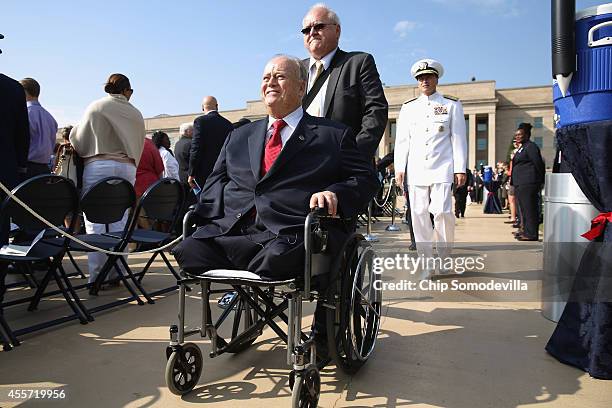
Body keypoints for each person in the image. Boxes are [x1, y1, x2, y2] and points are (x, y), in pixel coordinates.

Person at [172, 55, 378, 360]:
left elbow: (365, 179)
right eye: (266, 76)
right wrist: (216, 215)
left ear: (301, 87)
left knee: (278, 260)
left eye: (280, 77)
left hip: (291, 234)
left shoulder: (332, 135)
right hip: (236, 231)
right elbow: (215, 182)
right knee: (188, 250)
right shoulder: (238, 136)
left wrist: (335, 192)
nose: (270, 81)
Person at [394, 59, 467, 277]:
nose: (424, 80)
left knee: (443, 212)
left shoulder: (452, 105)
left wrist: (460, 168)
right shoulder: (408, 108)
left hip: (442, 167)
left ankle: (444, 259)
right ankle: (426, 262)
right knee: (418, 215)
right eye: (420, 78)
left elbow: (458, 138)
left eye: (428, 76)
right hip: (416, 169)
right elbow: (402, 141)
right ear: (417, 81)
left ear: (436, 78)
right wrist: (400, 167)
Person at [70, 73, 145, 284]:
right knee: (119, 221)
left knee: (95, 222)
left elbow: (79, 139)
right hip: (127, 167)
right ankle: (116, 272)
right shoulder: (136, 113)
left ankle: (96, 276)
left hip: (99, 164)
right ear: (127, 90)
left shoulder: (96, 107)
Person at [301, 3, 388, 159]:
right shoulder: (296, 69)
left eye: (319, 26)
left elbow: (376, 111)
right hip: (302, 165)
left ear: (337, 30)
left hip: (343, 165)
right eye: (306, 30)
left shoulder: (358, 63)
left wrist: (353, 155)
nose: (312, 33)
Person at [188, 96, 233, 191]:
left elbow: (196, 148)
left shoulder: (200, 121)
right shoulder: (228, 124)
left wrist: (192, 173)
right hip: (224, 172)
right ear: (217, 106)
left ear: (202, 107)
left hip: (205, 174)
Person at [510, 123, 544, 241]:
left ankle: (531, 234)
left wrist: (540, 180)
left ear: (527, 135)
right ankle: (525, 230)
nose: (517, 136)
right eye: (516, 135)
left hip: (529, 182)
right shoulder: (522, 148)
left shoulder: (531, 147)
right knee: (523, 208)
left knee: (530, 208)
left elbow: (538, 164)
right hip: (520, 183)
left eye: (520, 134)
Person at [19, 77, 57, 178]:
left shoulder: (22, 114)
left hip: (25, 169)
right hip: (45, 169)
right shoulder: (51, 118)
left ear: (23, 91)